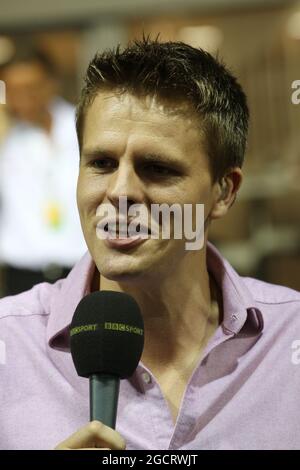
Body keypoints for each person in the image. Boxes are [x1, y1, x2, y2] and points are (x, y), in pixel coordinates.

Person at [0, 38, 299, 450]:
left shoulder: (289, 342)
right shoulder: (9, 347)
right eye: (101, 163)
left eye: (157, 168)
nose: (120, 192)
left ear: (224, 192)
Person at [0, 48, 86, 296]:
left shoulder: (81, 126)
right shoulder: (6, 136)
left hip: (80, 265)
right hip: (22, 273)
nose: (23, 99)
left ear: (51, 83)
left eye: (32, 88)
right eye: (13, 90)